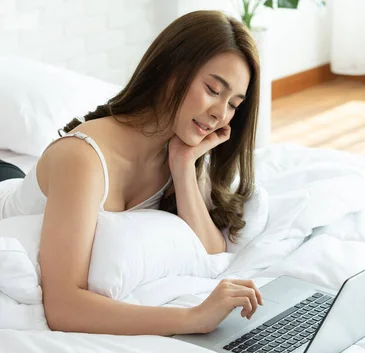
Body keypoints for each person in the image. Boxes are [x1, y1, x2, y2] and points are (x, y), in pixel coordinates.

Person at [0, 10, 265, 335]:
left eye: (234, 104)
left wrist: (183, 167)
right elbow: (63, 307)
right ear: (171, 71)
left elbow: (209, 251)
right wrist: (193, 318)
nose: (220, 115)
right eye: (212, 89)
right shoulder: (83, 158)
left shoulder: (178, 146)